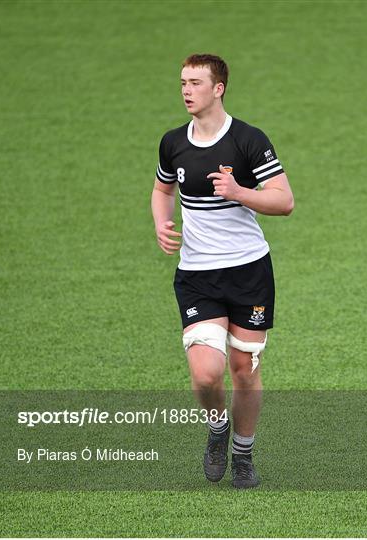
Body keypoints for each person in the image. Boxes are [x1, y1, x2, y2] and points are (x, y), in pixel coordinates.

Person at [151, 53, 294, 489]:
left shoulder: (249, 140)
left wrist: (239, 191)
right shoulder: (173, 141)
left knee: (243, 369)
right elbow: (161, 190)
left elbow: (284, 201)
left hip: (248, 271)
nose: (186, 91)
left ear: (219, 88)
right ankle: (218, 429)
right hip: (197, 275)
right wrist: (161, 222)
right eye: (182, 83)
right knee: (205, 373)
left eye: (195, 83)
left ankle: (244, 453)